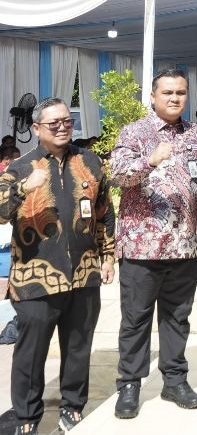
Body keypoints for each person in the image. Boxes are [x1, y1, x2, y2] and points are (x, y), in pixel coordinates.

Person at [0, 97, 115, 435]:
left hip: (83, 274)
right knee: (30, 352)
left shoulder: (91, 162)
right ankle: (26, 415)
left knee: (78, 346)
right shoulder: (20, 167)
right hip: (35, 278)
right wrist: (24, 187)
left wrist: (107, 256)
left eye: (67, 121)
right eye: (55, 123)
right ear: (36, 129)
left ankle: (72, 406)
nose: (64, 127)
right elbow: (1, 211)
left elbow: (105, 212)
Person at [109, 69, 197, 419]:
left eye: (181, 93)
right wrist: (149, 160)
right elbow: (119, 175)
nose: (174, 98)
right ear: (153, 96)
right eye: (167, 92)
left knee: (177, 317)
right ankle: (129, 385)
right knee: (136, 319)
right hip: (143, 246)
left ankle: (174, 380)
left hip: (184, 244)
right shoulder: (135, 133)